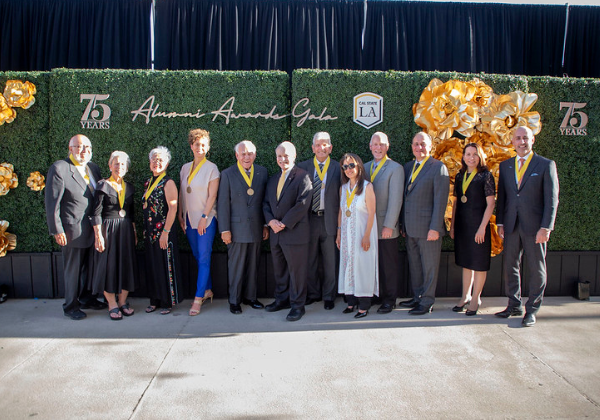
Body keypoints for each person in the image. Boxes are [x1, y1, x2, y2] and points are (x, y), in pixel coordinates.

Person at [495, 126, 559, 327]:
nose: (522, 142)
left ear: (532, 141)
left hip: (535, 228)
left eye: (525, 138)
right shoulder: (506, 166)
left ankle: (532, 309)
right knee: (510, 265)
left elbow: (552, 200)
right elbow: (503, 197)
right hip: (511, 225)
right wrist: (500, 222)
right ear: (512, 142)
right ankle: (514, 304)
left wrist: (546, 227)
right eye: (518, 138)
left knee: (536, 267)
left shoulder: (545, 165)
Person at [45, 134, 107, 320]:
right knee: (73, 270)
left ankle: (87, 298)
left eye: (87, 147)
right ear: (70, 148)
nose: (84, 150)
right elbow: (52, 203)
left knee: (89, 267)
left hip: (92, 229)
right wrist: (57, 229)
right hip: (72, 230)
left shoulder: (93, 168)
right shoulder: (60, 168)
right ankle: (70, 306)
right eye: (79, 147)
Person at [400, 131, 449, 315]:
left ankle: (427, 302)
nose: (419, 147)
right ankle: (417, 297)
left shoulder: (438, 168)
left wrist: (435, 228)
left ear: (430, 146)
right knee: (416, 266)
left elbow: (440, 201)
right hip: (410, 228)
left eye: (422, 144)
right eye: (416, 144)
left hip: (429, 229)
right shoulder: (408, 167)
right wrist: (403, 225)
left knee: (429, 267)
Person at [217, 140, 269, 315]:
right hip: (236, 229)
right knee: (236, 267)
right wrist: (224, 230)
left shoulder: (262, 172)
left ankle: (251, 297)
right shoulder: (227, 174)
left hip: (256, 227)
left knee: (253, 265)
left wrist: (264, 225)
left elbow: (264, 202)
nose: (247, 157)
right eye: (243, 153)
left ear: (255, 155)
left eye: (250, 153)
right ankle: (234, 300)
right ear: (237, 155)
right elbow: (222, 204)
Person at [263, 141, 312, 322]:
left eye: (286, 155)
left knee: (297, 273)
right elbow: (266, 203)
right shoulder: (273, 179)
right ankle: (281, 300)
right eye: (279, 156)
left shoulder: (303, 176)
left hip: (294, 233)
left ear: (294, 156)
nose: (282, 159)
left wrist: (283, 223)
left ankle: (298, 306)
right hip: (276, 234)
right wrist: (270, 221)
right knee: (280, 271)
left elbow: (302, 204)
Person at [449, 143, 496, 316]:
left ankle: (476, 298)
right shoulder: (460, 176)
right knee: (466, 263)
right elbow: (455, 204)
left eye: (475, 154)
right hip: (463, 227)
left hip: (479, 227)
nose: (471, 157)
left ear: (480, 156)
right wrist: (453, 226)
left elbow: (491, 204)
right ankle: (465, 296)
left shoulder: (486, 176)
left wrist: (482, 228)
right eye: (468, 154)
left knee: (479, 264)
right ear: (463, 156)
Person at [297, 132, 341, 310]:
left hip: (330, 220)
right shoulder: (302, 167)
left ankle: (329, 296)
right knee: (310, 260)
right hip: (309, 220)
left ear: (330, 148)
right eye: (318, 144)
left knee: (331, 261)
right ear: (313, 147)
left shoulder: (339, 168)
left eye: (325, 144)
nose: (321, 148)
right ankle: (314, 294)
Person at [178, 129, 220, 317]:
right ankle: (208, 289)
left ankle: (197, 299)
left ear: (208, 147)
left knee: (204, 257)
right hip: (188, 219)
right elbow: (181, 193)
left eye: (203, 144)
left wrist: (204, 217)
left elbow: (213, 196)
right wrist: (180, 214)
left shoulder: (212, 168)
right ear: (191, 146)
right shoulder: (185, 168)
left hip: (206, 219)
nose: (200, 148)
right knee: (197, 255)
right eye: (196, 144)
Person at [92, 151, 137, 321]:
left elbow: (131, 214)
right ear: (110, 166)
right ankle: (111, 303)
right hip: (107, 230)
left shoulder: (130, 187)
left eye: (123, 164)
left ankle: (123, 302)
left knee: (126, 264)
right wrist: (98, 236)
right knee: (108, 266)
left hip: (125, 230)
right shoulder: (102, 185)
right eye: (116, 163)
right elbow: (95, 213)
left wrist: (133, 232)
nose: (120, 167)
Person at [364, 132, 404, 314]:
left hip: (386, 227)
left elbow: (396, 199)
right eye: (375, 144)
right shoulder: (364, 167)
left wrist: (389, 225)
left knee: (388, 265)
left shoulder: (395, 168)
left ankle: (389, 299)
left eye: (381, 144)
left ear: (387, 147)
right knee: (372, 263)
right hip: (368, 227)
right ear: (370, 146)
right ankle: (376, 296)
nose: (378, 148)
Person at [336, 153, 378, 318]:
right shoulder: (343, 188)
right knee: (348, 266)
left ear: (359, 166)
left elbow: (372, 213)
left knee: (363, 267)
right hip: (347, 236)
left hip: (363, 234)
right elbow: (341, 211)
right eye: (345, 166)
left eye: (351, 165)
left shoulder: (367, 187)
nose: (348, 169)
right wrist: (339, 232)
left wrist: (367, 235)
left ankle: (364, 306)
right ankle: (351, 302)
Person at [142, 146, 183, 315]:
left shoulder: (169, 182)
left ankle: (167, 301)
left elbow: (173, 209)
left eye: (160, 160)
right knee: (152, 266)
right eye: (154, 159)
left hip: (163, 232)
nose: (156, 163)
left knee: (164, 266)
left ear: (166, 164)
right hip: (150, 233)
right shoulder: (148, 182)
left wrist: (165, 232)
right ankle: (154, 300)